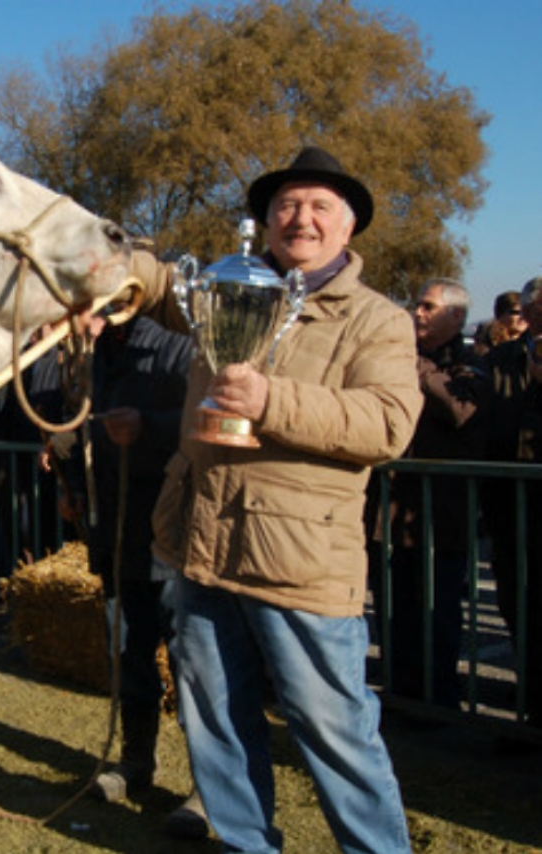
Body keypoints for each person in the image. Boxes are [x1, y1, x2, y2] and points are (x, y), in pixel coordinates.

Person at [152, 146, 423, 853]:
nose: (299, 218)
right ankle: (245, 845)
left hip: (300, 562)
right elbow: (153, 286)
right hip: (203, 545)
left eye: (318, 207)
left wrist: (273, 400)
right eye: (285, 206)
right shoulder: (224, 288)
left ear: (348, 226)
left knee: (333, 730)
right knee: (215, 722)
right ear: (266, 222)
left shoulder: (376, 319)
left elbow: (387, 424)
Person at [57, 293, 201, 818]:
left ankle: (209, 786)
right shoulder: (92, 360)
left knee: (193, 662)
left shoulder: (177, 348)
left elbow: (202, 427)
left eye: (89, 305)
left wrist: (147, 427)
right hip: (114, 536)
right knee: (129, 653)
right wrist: (73, 483)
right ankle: (136, 761)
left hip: (170, 537)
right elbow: (75, 428)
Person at [368, 278, 489, 706]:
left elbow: (460, 409)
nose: (417, 313)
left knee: (436, 610)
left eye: (428, 306)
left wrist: (413, 366)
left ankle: (439, 699)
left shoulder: (471, 361)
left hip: (440, 514)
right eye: (416, 305)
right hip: (391, 509)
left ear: (456, 316)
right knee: (393, 607)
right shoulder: (399, 358)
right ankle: (402, 693)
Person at [482, 276, 542, 727]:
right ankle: (528, 703)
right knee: (516, 604)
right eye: (528, 306)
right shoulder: (502, 360)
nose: (528, 314)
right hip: (509, 504)